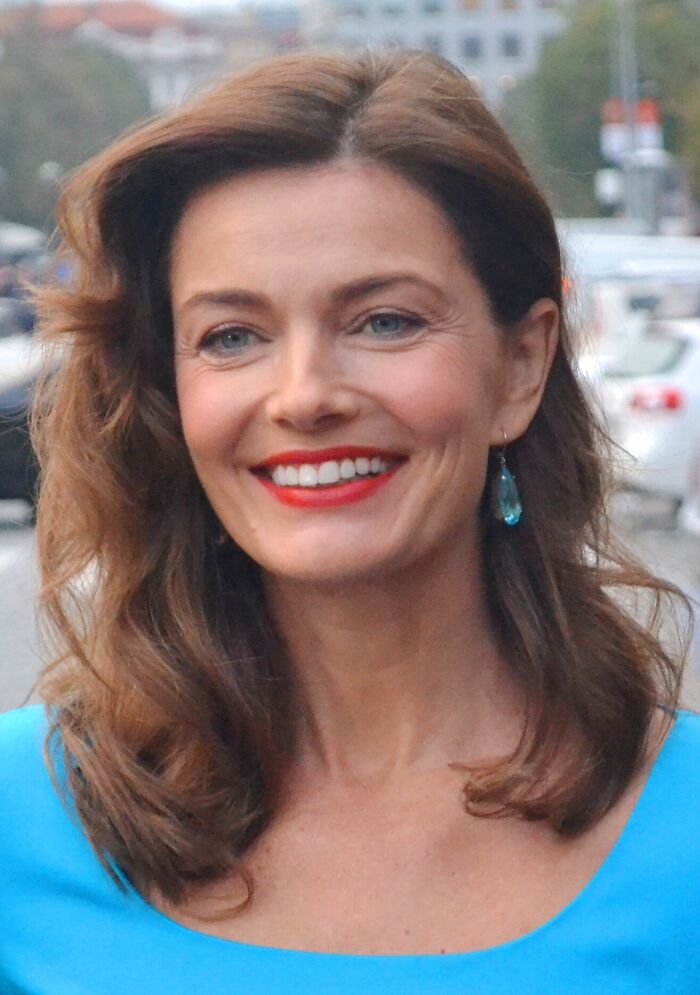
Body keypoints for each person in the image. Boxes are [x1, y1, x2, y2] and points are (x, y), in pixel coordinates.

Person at [0, 50, 698, 993]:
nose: (304, 396)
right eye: (232, 336)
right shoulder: (19, 822)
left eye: (384, 321)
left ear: (522, 367)